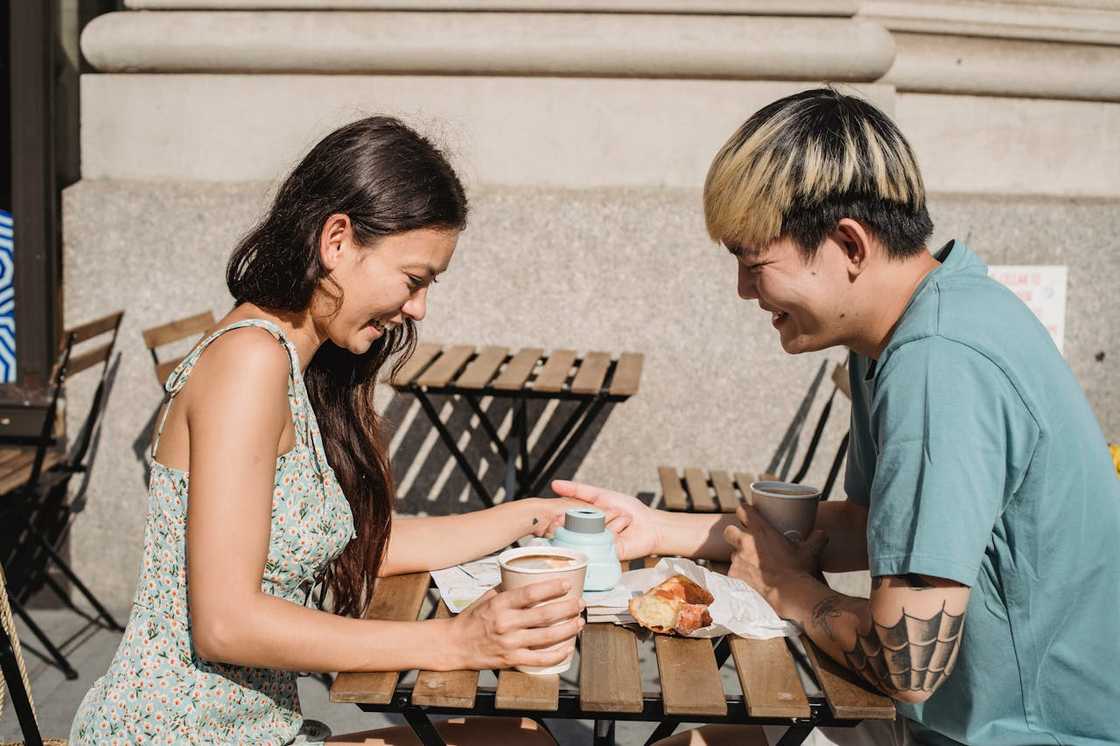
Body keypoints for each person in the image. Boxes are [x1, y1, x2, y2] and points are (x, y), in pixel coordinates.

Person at [554, 88, 1120, 745]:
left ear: (849, 243)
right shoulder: (922, 319)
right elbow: (869, 526)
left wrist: (786, 587)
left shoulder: (938, 361)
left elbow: (909, 666)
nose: (743, 289)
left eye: (753, 262)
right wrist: (658, 529)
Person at [71, 116, 593, 745]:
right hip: (181, 734)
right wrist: (451, 641)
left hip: (249, 730)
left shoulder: (298, 364)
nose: (418, 307)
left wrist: (532, 518)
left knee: (521, 738)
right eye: (414, 279)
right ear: (337, 241)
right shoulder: (249, 361)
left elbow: (358, 543)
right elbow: (226, 624)